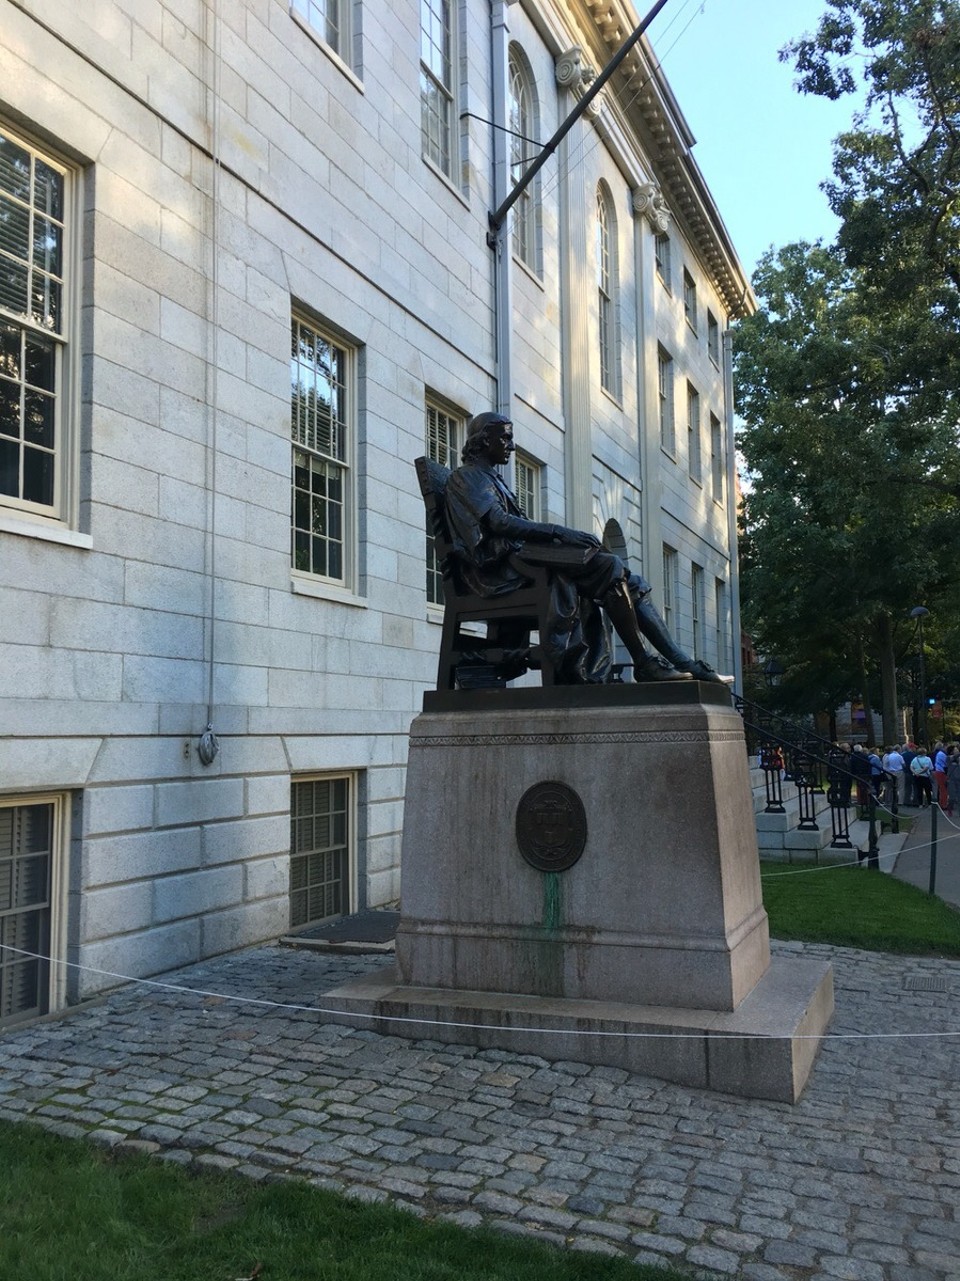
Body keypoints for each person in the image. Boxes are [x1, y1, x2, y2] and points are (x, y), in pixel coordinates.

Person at [444, 412, 726, 685]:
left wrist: (565, 538)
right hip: (496, 574)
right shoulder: (467, 477)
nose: (512, 446)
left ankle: (678, 661)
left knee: (630, 579)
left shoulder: (491, 478)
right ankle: (644, 662)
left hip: (517, 564)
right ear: (483, 441)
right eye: (505, 439)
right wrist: (560, 531)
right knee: (609, 565)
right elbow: (500, 523)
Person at [946, 745, 960, 818]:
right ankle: (949, 808)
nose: (957, 750)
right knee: (952, 798)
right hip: (951, 780)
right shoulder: (948, 758)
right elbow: (953, 757)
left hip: (959, 780)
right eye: (955, 749)